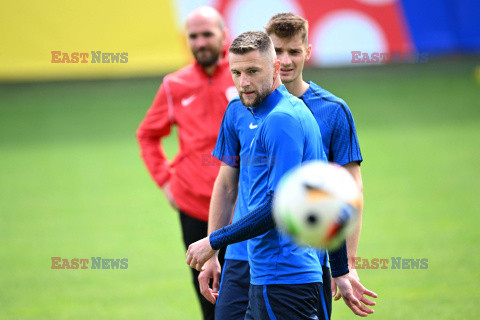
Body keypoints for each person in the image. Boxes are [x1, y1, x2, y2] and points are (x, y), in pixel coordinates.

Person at [197, 13, 377, 319]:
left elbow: (344, 191)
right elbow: (227, 183)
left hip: (290, 264)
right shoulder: (241, 109)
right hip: (246, 253)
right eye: (237, 73)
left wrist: (343, 265)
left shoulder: (315, 113)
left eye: (292, 51)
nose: (286, 59)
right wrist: (214, 250)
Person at [136, 7, 234, 320]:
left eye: (207, 34)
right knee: (210, 301)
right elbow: (148, 134)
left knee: (248, 297)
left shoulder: (243, 75)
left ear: (223, 34)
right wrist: (165, 181)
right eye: (194, 36)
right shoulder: (174, 84)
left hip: (241, 207)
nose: (201, 41)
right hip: (193, 208)